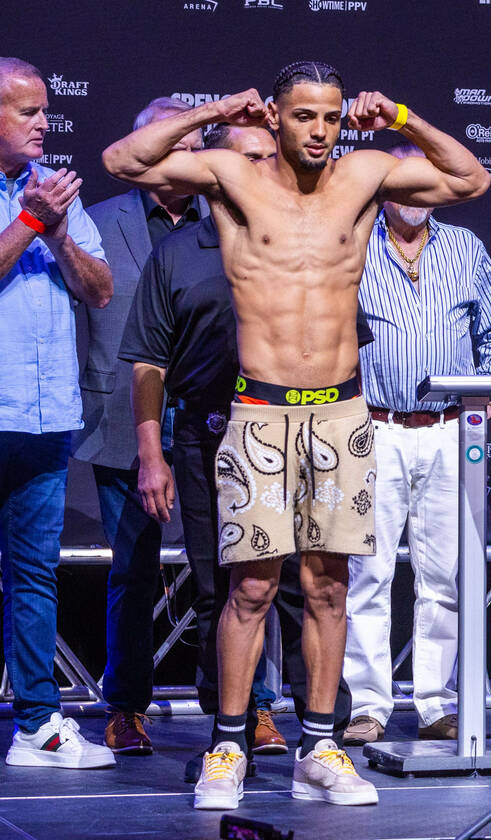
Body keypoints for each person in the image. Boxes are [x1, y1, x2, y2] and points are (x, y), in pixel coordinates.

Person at [102, 60, 491, 809]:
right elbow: (125, 159)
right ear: (276, 117)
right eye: (305, 115)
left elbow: (470, 179)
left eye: (332, 116)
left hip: (343, 413)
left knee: (329, 587)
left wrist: (403, 117)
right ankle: (228, 744)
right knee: (250, 587)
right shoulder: (231, 177)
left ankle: (319, 746)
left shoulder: (368, 173)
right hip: (260, 413)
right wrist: (212, 106)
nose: (320, 130)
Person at [120, 123, 366, 779]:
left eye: (269, 156)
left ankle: (322, 737)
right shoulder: (179, 250)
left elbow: (344, 342)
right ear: (216, 168)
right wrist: (152, 452)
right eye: (247, 158)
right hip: (211, 435)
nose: (263, 169)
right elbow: (147, 361)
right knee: (225, 589)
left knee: (312, 590)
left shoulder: (306, 243)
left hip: (308, 431)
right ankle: (231, 730)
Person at [78, 96, 276, 758]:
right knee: (132, 571)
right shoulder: (97, 221)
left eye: (191, 146)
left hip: (220, 418)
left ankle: (250, 705)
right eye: (169, 145)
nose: (181, 158)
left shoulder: (230, 219)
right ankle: (127, 706)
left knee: (241, 566)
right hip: (121, 419)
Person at [342, 140, 491, 746]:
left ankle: (436, 702)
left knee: (445, 575)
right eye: (404, 181)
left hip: (449, 431)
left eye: (426, 182)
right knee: (367, 574)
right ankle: (368, 705)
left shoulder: (465, 248)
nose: (415, 194)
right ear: (386, 187)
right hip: (374, 429)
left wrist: (486, 393)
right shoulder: (356, 245)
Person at [0, 56, 114, 769]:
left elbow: (99, 290)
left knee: (35, 574)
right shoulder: (35, 201)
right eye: (27, 111)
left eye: (45, 109)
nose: (46, 122)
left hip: (44, 420)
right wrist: (29, 221)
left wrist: (59, 233)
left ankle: (38, 725)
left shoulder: (51, 198)